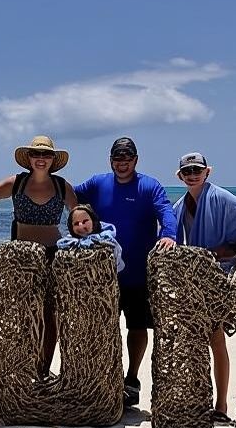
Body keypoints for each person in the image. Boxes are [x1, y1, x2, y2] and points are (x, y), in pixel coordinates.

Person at [170, 152, 236, 424]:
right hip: (194, 280)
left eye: (197, 170)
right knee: (193, 341)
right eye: (187, 171)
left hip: (219, 279)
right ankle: (199, 399)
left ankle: (222, 404)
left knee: (216, 339)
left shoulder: (219, 197)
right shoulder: (180, 206)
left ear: (207, 172)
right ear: (179, 175)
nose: (193, 174)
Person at [75, 137, 176, 407]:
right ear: (111, 160)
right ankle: (104, 377)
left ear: (135, 160)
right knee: (102, 328)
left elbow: (165, 210)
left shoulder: (149, 185)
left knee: (137, 326)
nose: (122, 163)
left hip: (139, 273)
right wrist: (35, 186)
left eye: (127, 158)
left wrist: (168, 234)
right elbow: (67, 194)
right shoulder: (97, 183)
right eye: (118, 158)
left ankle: (131, 378)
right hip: (102, 275)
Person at [0, 135, 78, 376]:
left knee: (50, 315)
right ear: (28, 158)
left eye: (46, 154)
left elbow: (79, 216)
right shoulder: (16, 183)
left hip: (53, 257)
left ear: (52, 159)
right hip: (20, 260)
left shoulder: (61, 186)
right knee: (24, 315)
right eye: (36, 154)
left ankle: (43, 369)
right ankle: (23, 367)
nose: (41, 159)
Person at [57, 204, 124, 272]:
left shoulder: (107, 240)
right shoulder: (66, 245)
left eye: (85, 221)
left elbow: (117, 264)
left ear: (93, 221)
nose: (81, 225)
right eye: (76, 223)